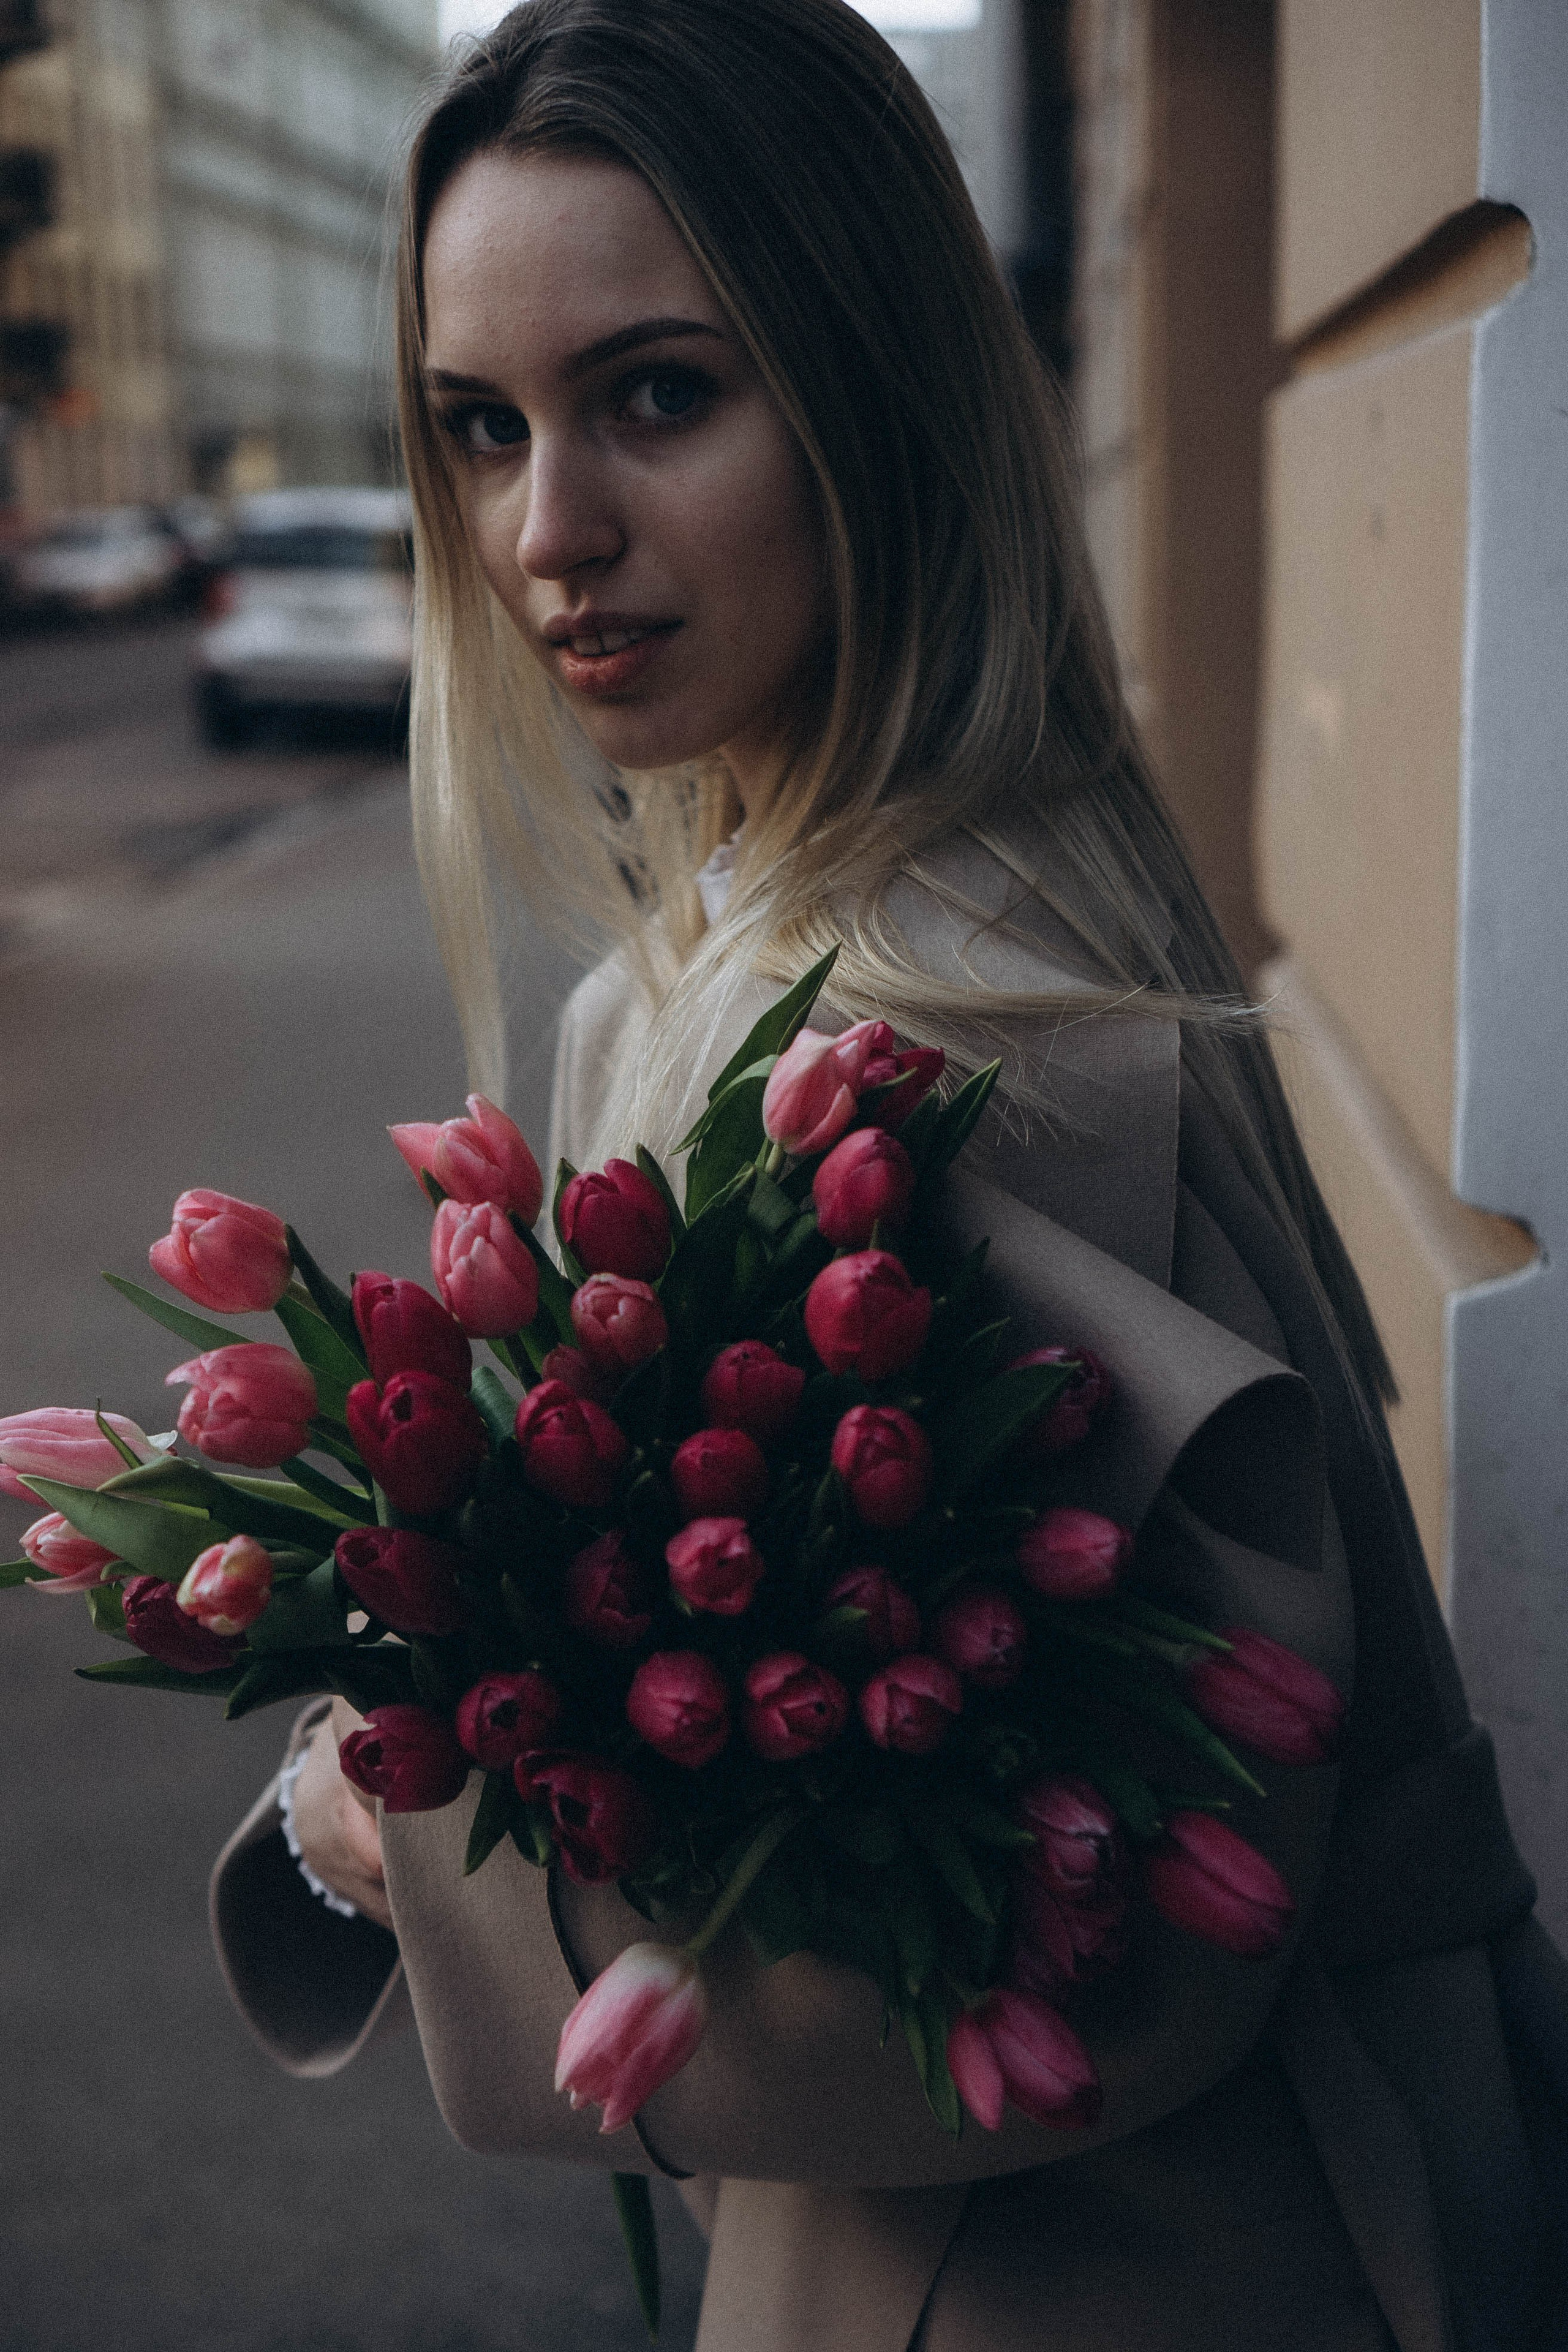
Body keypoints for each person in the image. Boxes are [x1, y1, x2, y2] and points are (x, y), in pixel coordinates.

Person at [211, 6, 1568, 2348]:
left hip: (1137, 2260)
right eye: (484, 426)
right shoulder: (753, 930)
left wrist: (386, 1824)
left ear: (875, 389)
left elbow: (1081, 1926)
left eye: (658, 394)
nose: (546, 533)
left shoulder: (954, 1028)